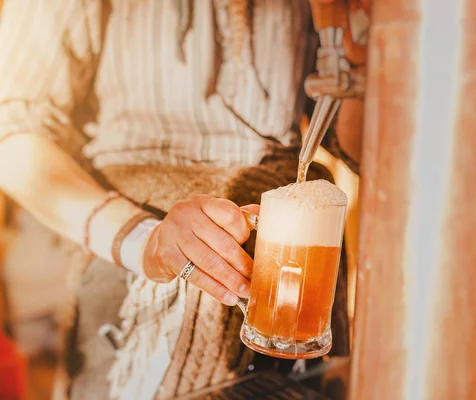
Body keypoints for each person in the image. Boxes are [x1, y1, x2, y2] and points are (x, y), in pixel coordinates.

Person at [0, 1, 364, 399]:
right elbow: (13, 133)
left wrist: (358, 48)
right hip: (140, 299)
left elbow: (358, 145)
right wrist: (145, 240)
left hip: (300, 302)